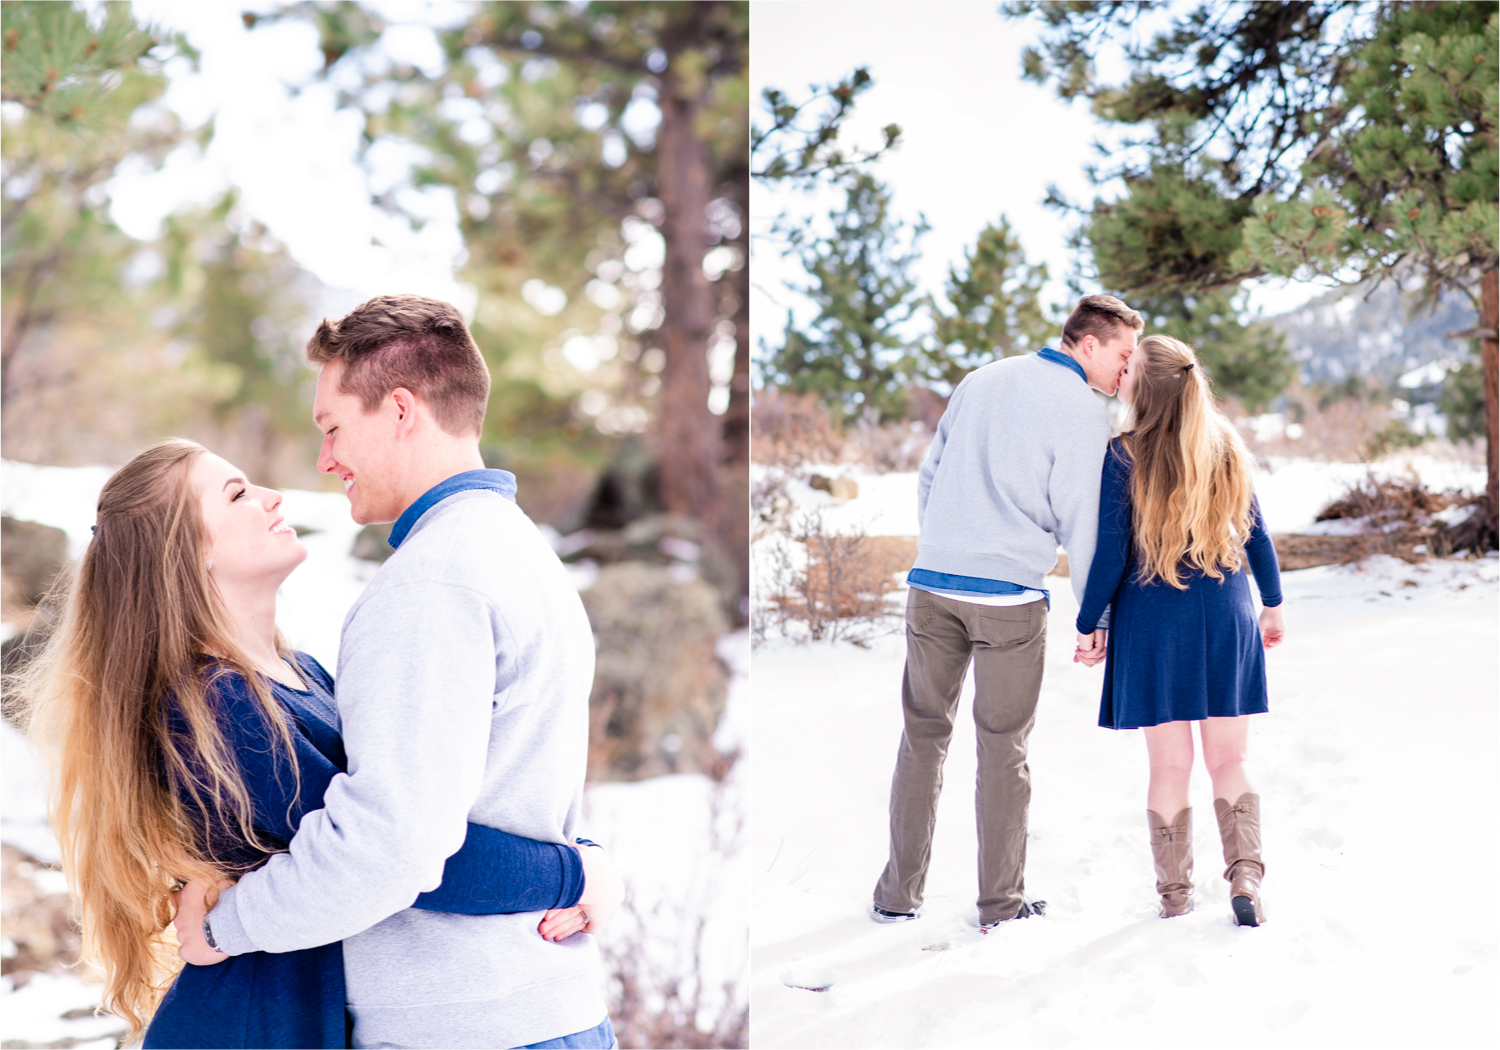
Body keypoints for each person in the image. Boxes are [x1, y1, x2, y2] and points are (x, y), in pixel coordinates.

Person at [18, 438, 618, 1048]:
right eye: (238, 495)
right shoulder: (213, 710)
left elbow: (425, 809)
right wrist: (575, 874)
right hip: (255, 1024)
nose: (272, 496)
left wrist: (582, 860)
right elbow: (394, 854)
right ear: (188, 555)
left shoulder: (299, 673)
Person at [165, 295, 616, 1049]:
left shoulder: (429, 584)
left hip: (465, 1022)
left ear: (401, 411)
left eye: (333, 427)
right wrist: (583, 867)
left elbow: (392, 845)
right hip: (540, 1005)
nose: (324, 459)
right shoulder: (518, 551)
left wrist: (226, 922)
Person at [872, 295, 1143, 930]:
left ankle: (896, 896)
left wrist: (944, 543)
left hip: (932, 585)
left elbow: (930, 474)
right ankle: (1000, 905)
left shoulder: (982, 378)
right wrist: (1094, 616)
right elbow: (1083, 522)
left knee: (921, 738)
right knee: (1003, 751)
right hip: (1009, 602)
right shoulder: (1085, 413)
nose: (1125, 371)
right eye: (1124, 355)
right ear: (1089, 343)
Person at [1073, 333, 1285, 927]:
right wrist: (1271, 604)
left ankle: (1175, 897)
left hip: (1153, 625)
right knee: (1229, 757)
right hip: (1225, 616)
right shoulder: (1225, 446)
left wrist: (1089, 623)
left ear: (1143, 386)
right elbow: (1257, 536)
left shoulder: (1123, 455)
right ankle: (1245, 875)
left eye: (1131, 366)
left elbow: (1112, 555)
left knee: (1169, 766)